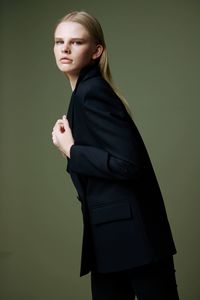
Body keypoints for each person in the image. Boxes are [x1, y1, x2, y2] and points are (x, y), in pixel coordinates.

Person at [51, 11, 179, 300]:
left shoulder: (91, 93)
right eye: (59, 42)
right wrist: (72, 153)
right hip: (113, 238)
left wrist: (71, 150)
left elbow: (128, 164)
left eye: (76, 42)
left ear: (96, 51)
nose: (65, 49)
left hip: (133, 239)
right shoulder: (83, 93)